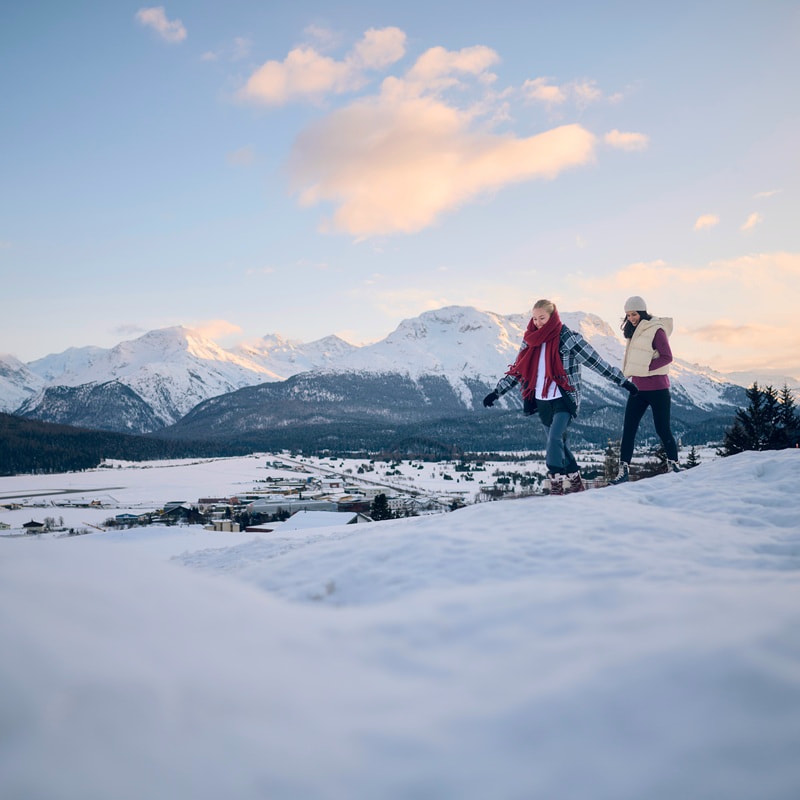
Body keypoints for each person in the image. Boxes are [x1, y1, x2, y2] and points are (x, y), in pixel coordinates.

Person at [483, 299, 638, 495]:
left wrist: (623, 382)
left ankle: (555, 482)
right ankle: (575, 481)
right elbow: (519, 370)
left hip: (564, 398)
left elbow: (596, 362)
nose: (538, 323)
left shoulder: (568, 338)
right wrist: (496, 392)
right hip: (541, 400)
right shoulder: (530, 340)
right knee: (560, 444)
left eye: (542, 318)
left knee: (554, 437)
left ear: (552, 316)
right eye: (535, 318)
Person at [609, 295, 681, 484]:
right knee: (629, 430)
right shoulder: (633, 332)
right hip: (637, 389)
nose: (631, 318)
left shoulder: (656, 329)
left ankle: (674, 465)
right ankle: (623, 472)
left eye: (634, 314)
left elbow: (667, 357)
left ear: (642, 312)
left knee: (662, 429)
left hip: (658, 389)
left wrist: (644, 369)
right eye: (628, 315)